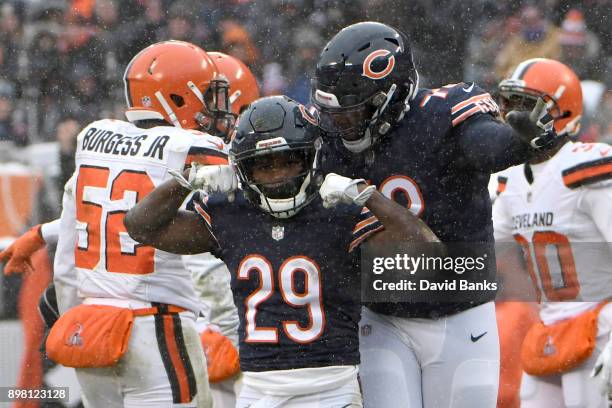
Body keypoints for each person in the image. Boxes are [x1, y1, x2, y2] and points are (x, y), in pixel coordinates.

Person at [125, 95, 439, 407]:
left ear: (311, 158)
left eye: (289, 161)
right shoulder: (231, 214)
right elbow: (140, 226)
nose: (277, 175)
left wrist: (366, 195)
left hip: (332, 391)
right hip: (258, 391)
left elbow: (430, 256)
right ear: (244, 168)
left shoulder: (339, 212)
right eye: (264, 166)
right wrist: (186, 181)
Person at [311, 21, 560, 407]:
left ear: (390, 96)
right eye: (335, 111)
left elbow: (486, 146)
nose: (340, 123)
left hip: (460, 313)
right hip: (382, 316)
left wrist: (516, 143)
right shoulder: (331, 140)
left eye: (352, 111)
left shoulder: (440, 115)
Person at [0, 49, 261, 407]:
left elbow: (78, 239)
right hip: (158, 326)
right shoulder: (188, 146)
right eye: (208, 97)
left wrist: (70, 309)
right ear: (176, 96)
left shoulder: (95, 137)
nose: (216, 113)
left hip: (93, 328)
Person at [492, 58, 612, 408]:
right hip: (548, 329)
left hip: (601, 327)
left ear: (562, 112)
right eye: (509, 104)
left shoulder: (586, 167)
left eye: (526, 105)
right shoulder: (510, 180)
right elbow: (475, 249)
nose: (513, 116)